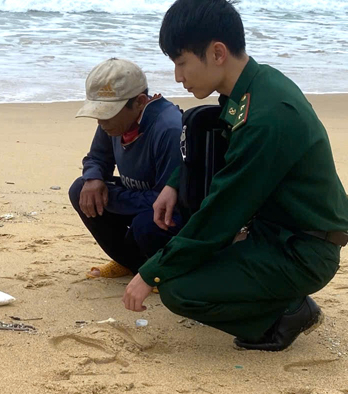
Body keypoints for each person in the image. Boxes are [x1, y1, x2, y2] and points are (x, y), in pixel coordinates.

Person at [123, 0, 348, 351]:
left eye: (182, 63)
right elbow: (224, 155)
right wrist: (173, 182)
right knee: (183, 264)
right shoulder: (252, 88)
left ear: (216, 53)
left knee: (178, 289)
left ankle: (287, 314)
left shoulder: (267, 115)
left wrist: (151, 272)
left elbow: (222, 211)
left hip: (303, 250)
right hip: (276, 231)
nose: (178, 77)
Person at [68, 58, 183, 280]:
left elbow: (167, 200)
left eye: (108, 112)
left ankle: (163, 272)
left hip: (169, 213)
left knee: (146, 224)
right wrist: (93, 178)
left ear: (139, 102)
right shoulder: (112, 123)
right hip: (139, 199)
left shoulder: (168, 128)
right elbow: (97, 157)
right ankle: (130, 263)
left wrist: (111, 198)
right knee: (81, 189)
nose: (100, 120)